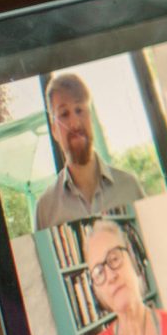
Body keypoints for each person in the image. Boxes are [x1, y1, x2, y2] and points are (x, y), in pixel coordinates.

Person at [33, 73, 140, 229]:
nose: (75, 123)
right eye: (64, 114)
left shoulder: (130, 187)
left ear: (91, 118)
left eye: (79, 110)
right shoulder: (44, 210)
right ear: (54, 130)